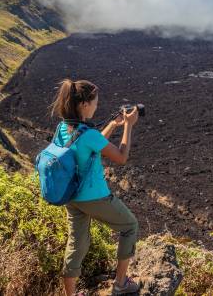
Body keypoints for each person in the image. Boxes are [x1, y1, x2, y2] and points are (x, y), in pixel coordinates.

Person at [49, 78, 141, 296]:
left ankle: (71, 295)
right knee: (130, 226)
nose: (97, 106)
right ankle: (120, 284)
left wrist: (113, 124)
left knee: (76, 242)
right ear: (84, 104)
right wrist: (128, 125)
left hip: (70, 196)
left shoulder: (63, 128)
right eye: (95, 102)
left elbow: (89, 145)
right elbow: (120, 157)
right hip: (93, 197)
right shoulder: (87, 133)